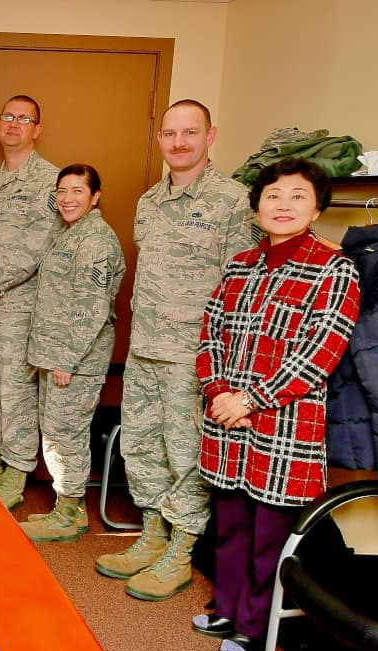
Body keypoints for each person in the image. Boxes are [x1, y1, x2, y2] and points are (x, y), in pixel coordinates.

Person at [193, 157, 359, 651]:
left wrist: (248, 399)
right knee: (231, 524)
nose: (283, 205)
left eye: (297, 196)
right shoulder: (240, 264)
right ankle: (227, 604)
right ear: (257, 205)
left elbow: (319, 354)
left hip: (284, 425)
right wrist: (220, 391)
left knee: (270, 535)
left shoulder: (335, 270)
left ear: (316, 208)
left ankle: (252, 624)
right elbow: (210, 334)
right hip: (226, 419)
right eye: (273, 195)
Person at [95, 99, 255, 601]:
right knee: (141, 445)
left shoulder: (235, 201)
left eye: (190, 132)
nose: (179, 142)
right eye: (170, 133)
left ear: (211, 137)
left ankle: (181, 551)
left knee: (186, 452)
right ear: (159, 139)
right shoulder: (149, 201)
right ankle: (151, 535)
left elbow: (243, 283)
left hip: (195, 354)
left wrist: (226, 364)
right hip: (145, 347)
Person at [0, 95, 61, 509]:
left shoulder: (51, 183)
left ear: (37, 130)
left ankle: (17, 470)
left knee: (16, 393)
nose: (14, 124)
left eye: (25, 119)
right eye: (8, 116)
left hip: (20, 308)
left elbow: (38, 245)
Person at [21, 164, 125, 542]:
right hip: (56, 354)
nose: (67, 198)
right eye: (62, 190)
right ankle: (65, 506)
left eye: (77, 191)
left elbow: (91, 307)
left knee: (66, 433)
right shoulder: (72, 234)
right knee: (56, 432)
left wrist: (68, 359)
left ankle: (70, 512)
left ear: (95, 196)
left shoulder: (95, 240)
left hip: (75, 360)